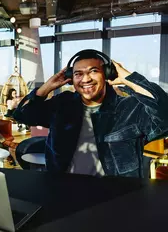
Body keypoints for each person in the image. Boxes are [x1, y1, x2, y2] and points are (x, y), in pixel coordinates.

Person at [13, 49, 168, 178]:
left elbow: (164, 117)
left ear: (107, 74)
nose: (85, 79)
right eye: (78, 74)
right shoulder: (62, 105)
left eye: (93, 71)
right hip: (63, 191)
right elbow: (23, 115)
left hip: (117, 196)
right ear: (70, 78)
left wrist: (128, 78)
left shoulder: (130, 109)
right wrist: (46, 88)